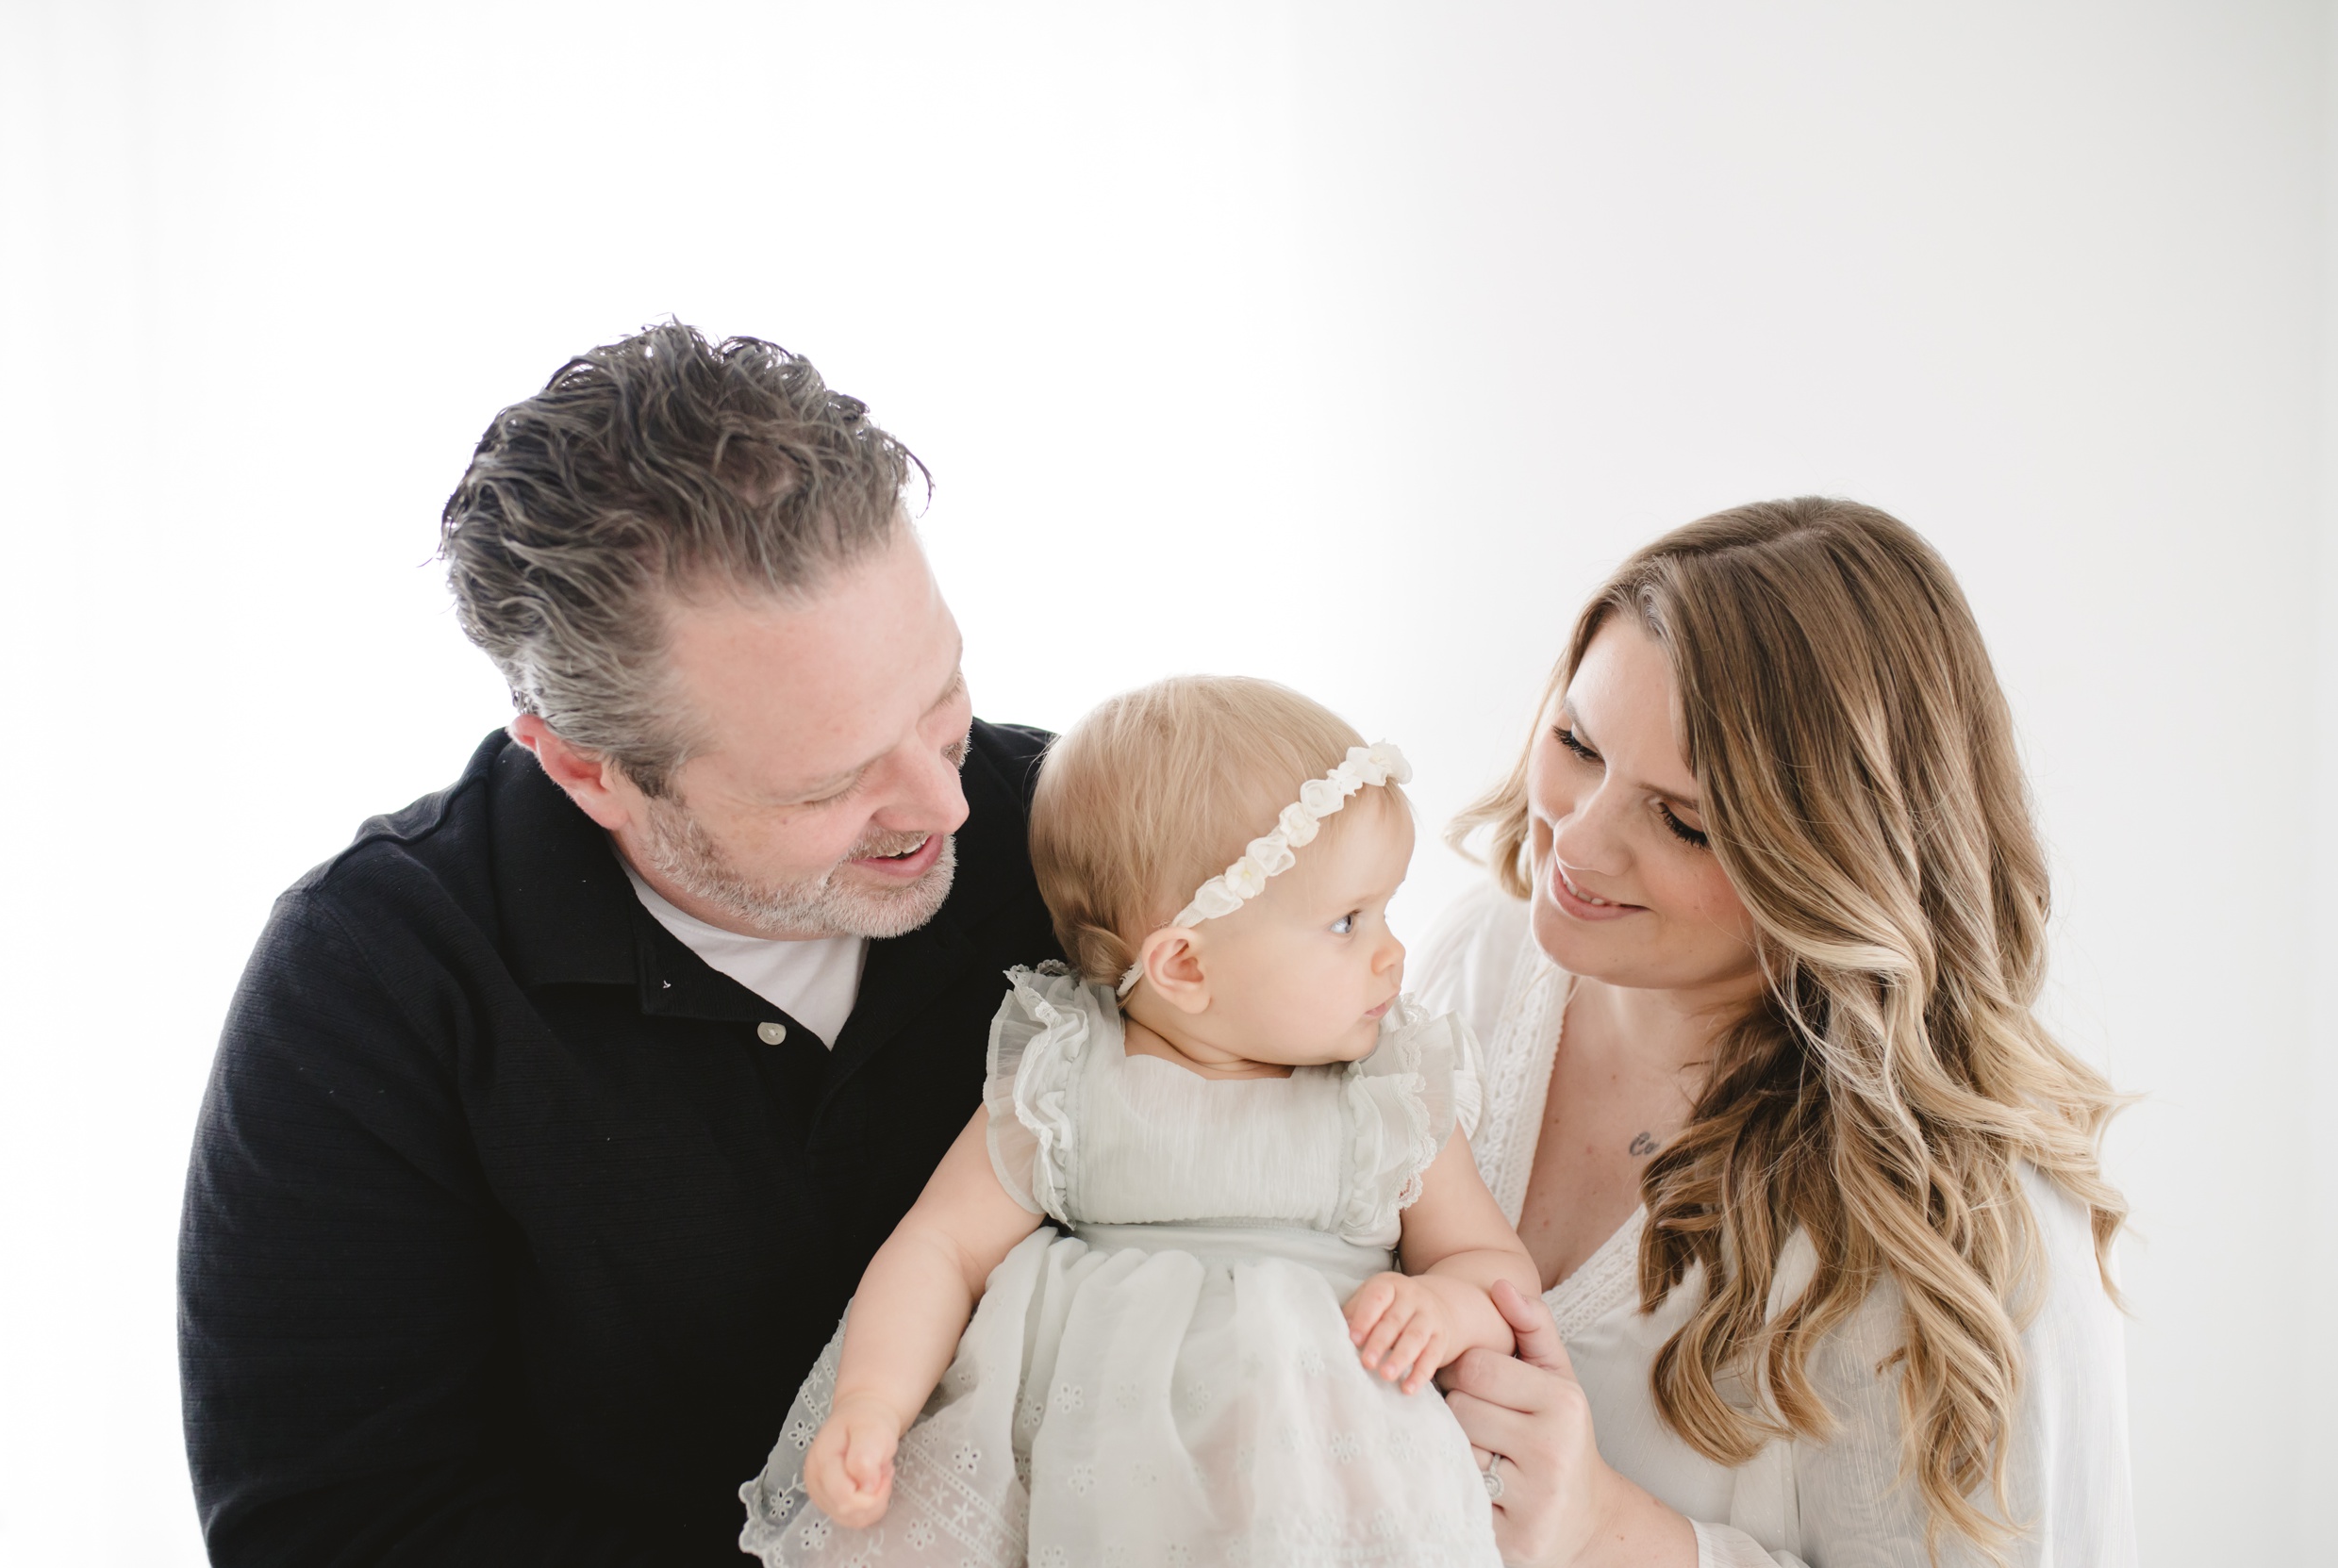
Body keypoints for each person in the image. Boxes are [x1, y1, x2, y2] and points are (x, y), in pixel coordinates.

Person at [177, 324, 1064, 1566]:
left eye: (942, 698)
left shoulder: (1084, 833)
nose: (947, 801)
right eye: (832, 781)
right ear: (590, 769)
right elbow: (336, 1527)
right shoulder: (375, 981)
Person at [1416, 498, 2137, 1566]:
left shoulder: (1959, 1220)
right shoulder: (1484, 959)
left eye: (1684, 821)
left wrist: (1607, 1531)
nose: (1578, 838)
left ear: (1837, 865)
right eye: (1576, 742)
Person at [739, 677, 1539, 1566]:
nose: (1394, 950)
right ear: (1185, 966)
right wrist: (873, 1402)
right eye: (1348, 921)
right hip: (1095, 1500)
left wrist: (1448, 1303)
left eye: (1387, 906)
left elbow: (1495, 1266)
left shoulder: (1387, 1090)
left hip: (1322, 1488)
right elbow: (941, 1248)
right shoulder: (1068, 1078)